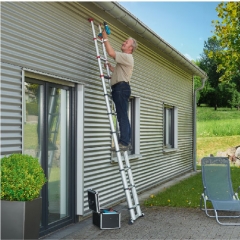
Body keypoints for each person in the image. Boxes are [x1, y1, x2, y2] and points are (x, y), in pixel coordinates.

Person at [101, 29, 138, 151]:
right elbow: (120, 74)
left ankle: (124, 143)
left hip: (121, 89)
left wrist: (105, 37)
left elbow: (111, 53)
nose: (123, 42)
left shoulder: (127, 57)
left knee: (122, 116)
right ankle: (127, 142)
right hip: (122, 88)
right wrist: (112, 69)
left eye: (126, 42)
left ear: (130, 48)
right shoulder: (126, 59)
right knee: (123, 116)